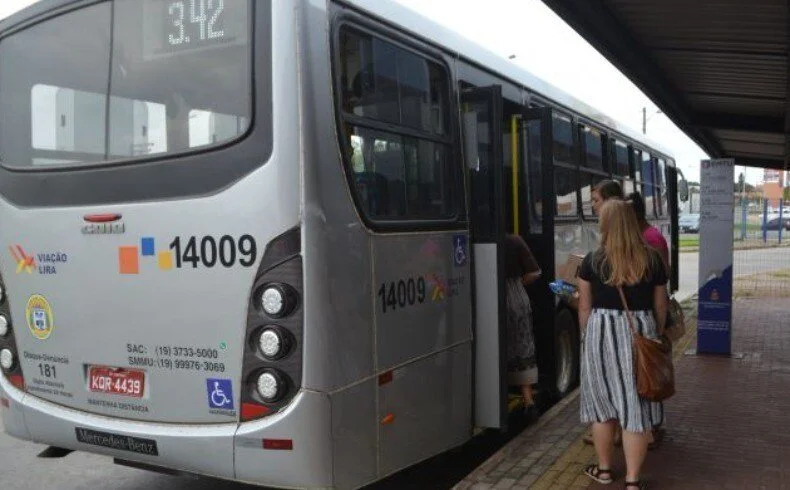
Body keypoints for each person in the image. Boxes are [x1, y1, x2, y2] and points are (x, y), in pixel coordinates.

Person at [578, 200, 668, 489]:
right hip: (639, 331)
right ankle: (632, 481)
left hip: (600, 332)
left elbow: (584, 307)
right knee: (635, 407)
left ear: (605, 225)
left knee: (602, 407)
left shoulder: (591, 260)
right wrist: (656, 333)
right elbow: (660, 305)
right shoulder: (652, 260)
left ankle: (604, 471)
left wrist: (587, 337)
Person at [504, 234, 542, 406]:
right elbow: (535, 272)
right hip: (517, 299)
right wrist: (518, 282)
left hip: (493, 299)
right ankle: (528, 400)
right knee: (521, 345)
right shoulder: (515, 240)